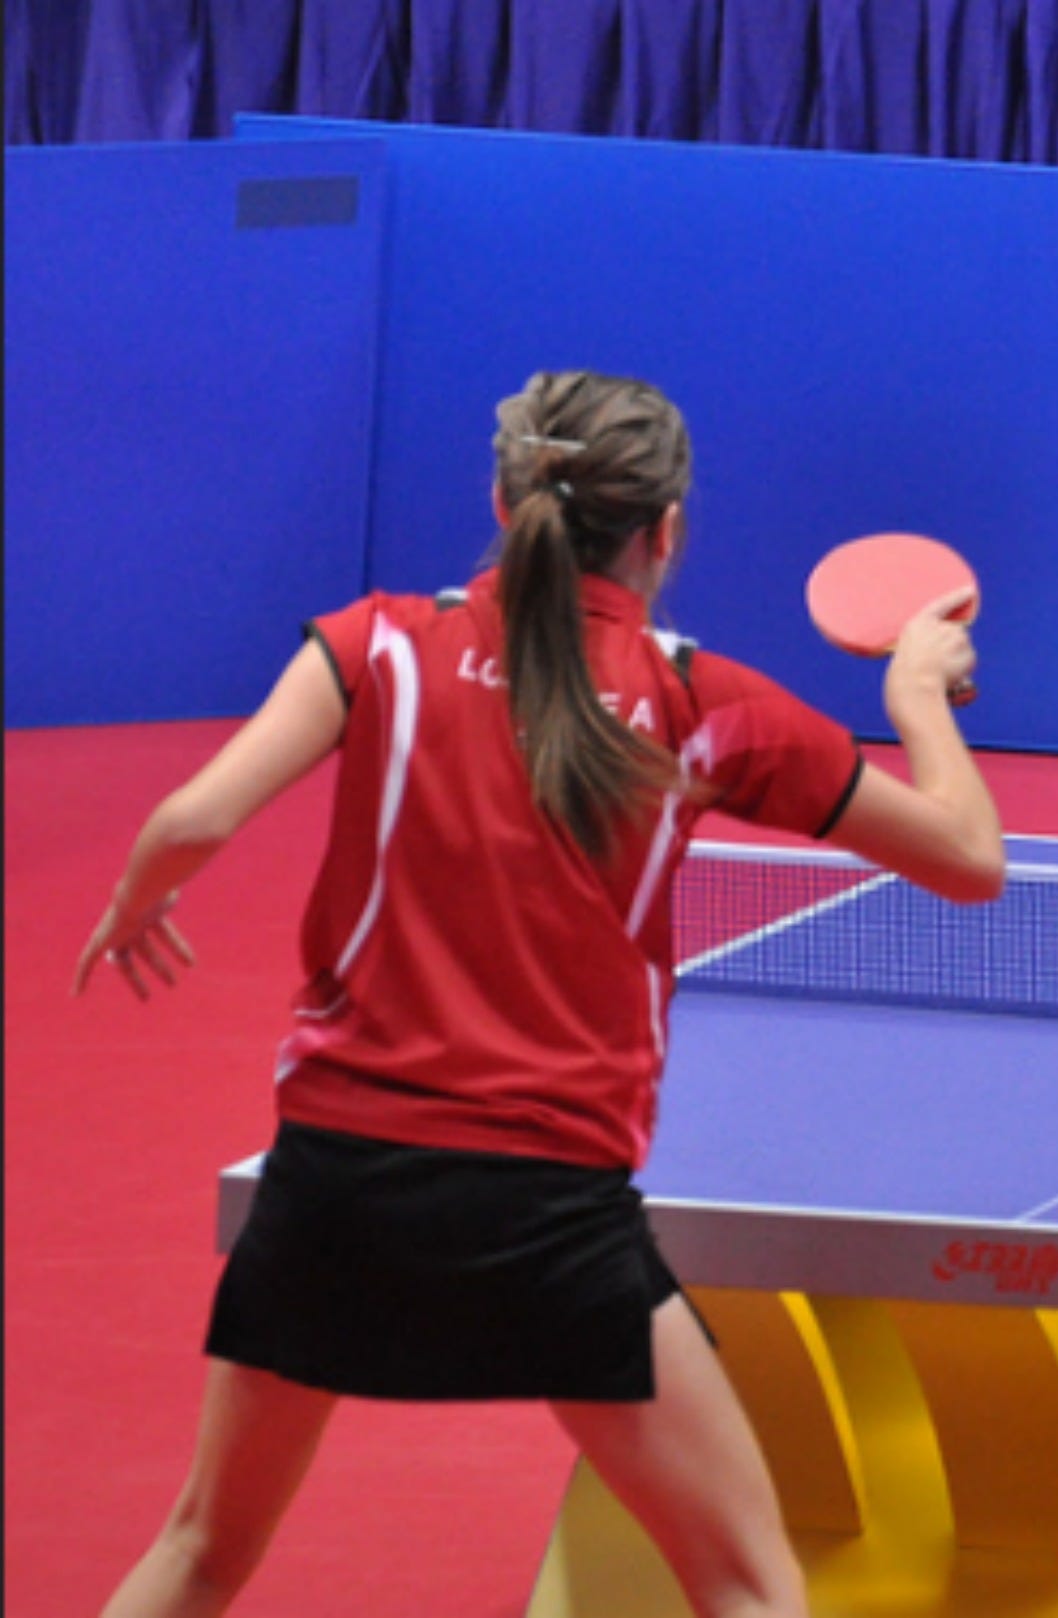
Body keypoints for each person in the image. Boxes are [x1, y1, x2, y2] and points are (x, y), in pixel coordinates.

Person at [76, 369, 1006, 1617]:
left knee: (200, 1549)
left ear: (501, 494)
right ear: (666, 530)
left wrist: (139, 898)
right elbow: (968, 860)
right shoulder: (700, 705)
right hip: (552, 1218)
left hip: (335, 1187)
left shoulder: (377, 644)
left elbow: (191, 818)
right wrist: (911, 697)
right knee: (749, 1584)